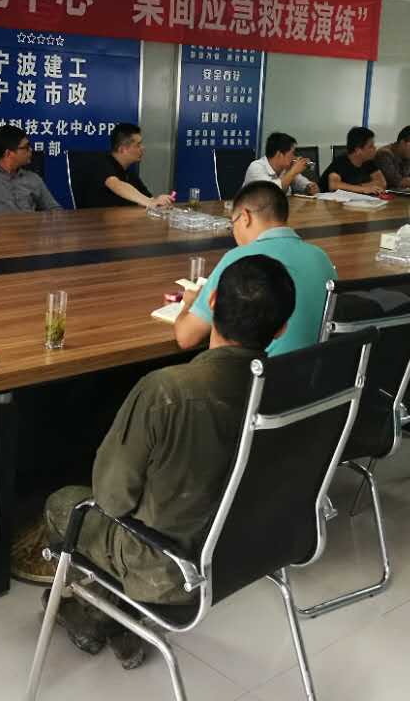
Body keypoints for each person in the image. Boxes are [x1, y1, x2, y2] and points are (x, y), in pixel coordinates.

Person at [42, 254, 296, 669]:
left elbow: (111, 498)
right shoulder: (293, 386)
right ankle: (117, 619)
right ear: (283, 328)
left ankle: (96, 617)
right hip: (242, 554)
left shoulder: (167, 390)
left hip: (167, 570)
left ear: (210, 302)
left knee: (64, 504)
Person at [175, 180, 335, 354]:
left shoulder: (240, 260)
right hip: (317, 367)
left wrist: (188, 303)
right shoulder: (321, 257)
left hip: (260, 369)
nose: (234, 232)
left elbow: (186, 337)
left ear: (245, 217)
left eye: (233, 223)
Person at [0, 125, 61, 215]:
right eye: (26, 147)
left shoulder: (33, 178)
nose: (31, 150)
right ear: (8, 153)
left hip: (31, 225)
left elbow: (54, 209)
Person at [76, 123, 174, 209]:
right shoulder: (102, 163)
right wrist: (150, 202)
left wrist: (158, 202)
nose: (142, 148)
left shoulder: (130, 172)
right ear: (122, 149)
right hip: (94, 221)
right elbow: (115, 184)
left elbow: (147, 198)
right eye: (138, 145)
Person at [243, 132, 317, 195]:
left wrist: (309, 187)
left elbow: (301, 183)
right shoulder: (256, 167)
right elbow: (273, 192)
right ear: (279, 154)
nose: (294, 157)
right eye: (292, 153)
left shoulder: (285, 168)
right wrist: (293, 171)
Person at [319, 127, 386, 194]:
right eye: (371, 146)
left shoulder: (368, 161)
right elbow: (334, 185)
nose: (375, 148)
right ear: (358, 150)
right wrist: (363, 189)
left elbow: (382, 183)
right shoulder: (340, 162)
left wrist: (360, 187)